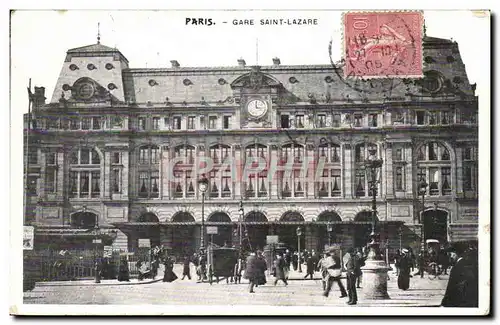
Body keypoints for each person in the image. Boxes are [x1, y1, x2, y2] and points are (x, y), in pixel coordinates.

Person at [441, 241, 478, 307]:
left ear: (457, 253)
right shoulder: (468, 264)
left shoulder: (456, 268)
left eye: (452, 253)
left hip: (457, 302)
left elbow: (451, 288)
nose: (450, 255)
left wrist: (444, 303)